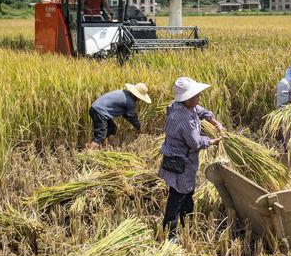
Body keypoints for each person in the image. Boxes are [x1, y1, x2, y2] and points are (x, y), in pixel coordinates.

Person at [158, 77, 223, 239]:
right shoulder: (184, 118)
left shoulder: (182, 105)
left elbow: (201, 111)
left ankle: (187, 223)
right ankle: (170, 234)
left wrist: (216, 123)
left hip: (183, 159)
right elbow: (195, 143)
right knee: (177, 195)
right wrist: (212, 141)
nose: (199, 98)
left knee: (187, 192)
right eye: (197, 96)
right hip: (180, 160)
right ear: (187, 98)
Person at [86, 83, 151, 150]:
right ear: (138, 96)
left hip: (96, 109)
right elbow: (132, 116)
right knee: (100, 136)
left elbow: (126, 114)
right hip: (100, 112)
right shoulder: (130, 102)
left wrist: (136, 125)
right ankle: (89, 153)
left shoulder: (124, 93)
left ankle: (111, 148)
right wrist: (138, 126)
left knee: (112, 128)